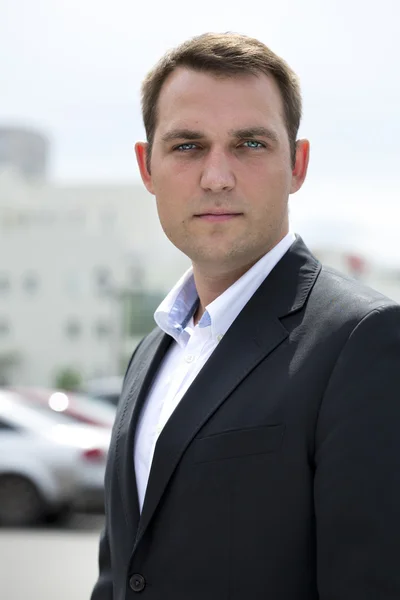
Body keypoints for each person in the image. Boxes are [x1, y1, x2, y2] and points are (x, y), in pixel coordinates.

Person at [91, 33, 400, 600]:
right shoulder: (154, 349)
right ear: (147, 167)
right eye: (187, 145)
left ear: (298, 163)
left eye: (250, 144)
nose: (217, 177)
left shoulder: (364, 340)